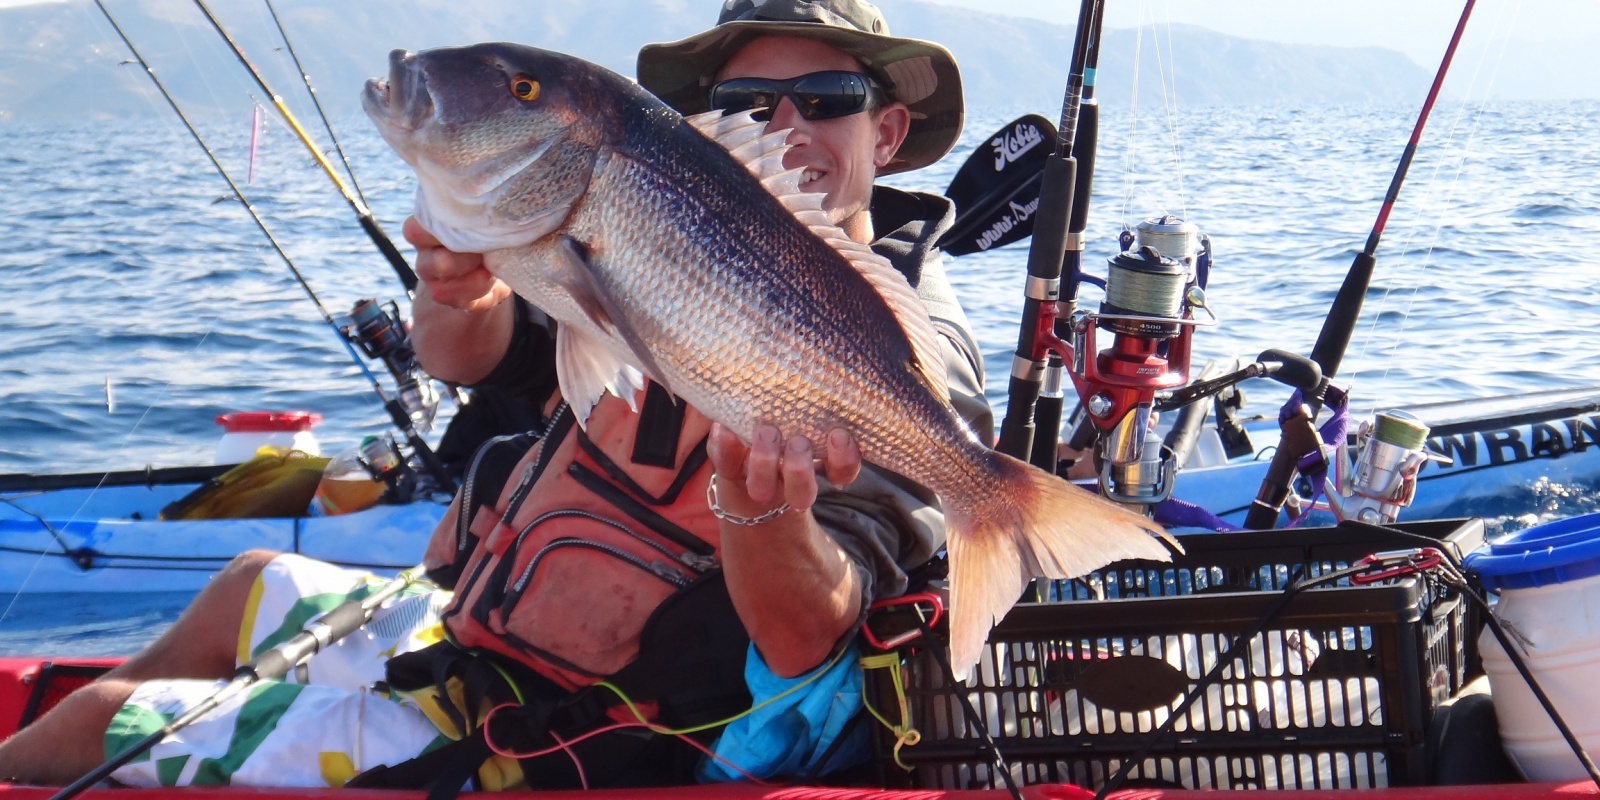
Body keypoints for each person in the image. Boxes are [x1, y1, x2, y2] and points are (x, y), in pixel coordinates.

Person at [0, 0, 991, 789]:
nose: (788, 125)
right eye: (747, 102)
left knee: (97, 722)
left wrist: (765, 514)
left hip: (581, 728)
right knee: (246, 579)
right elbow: (472, 361)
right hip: (489, 628)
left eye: (827, 96)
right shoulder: (654, 231)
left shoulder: (908, 352)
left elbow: (810, 632)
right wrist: (458, 287)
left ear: (889, 127)